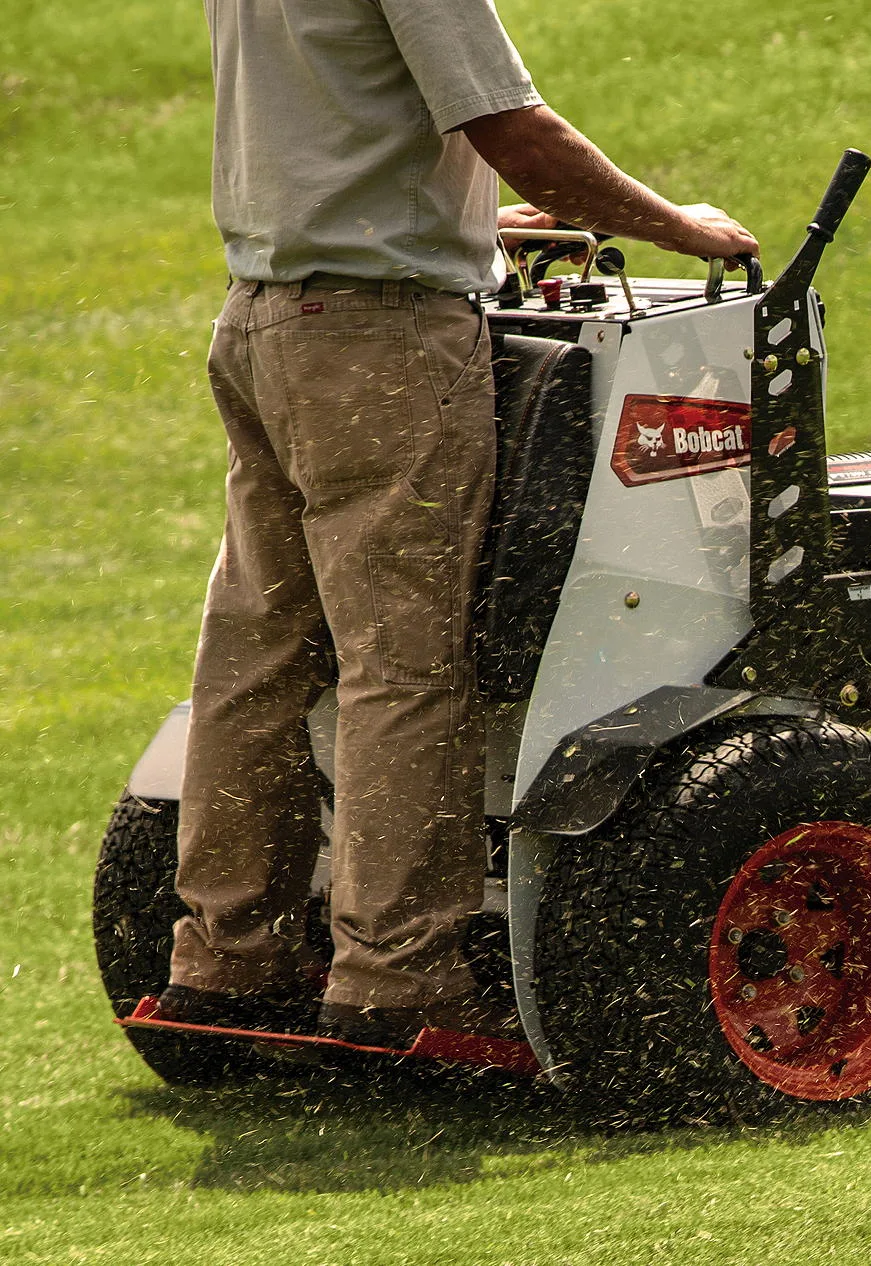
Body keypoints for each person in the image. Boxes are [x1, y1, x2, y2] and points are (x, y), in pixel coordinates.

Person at [156, 0, 757, 1049]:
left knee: (259, 656)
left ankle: (225, 958)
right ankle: (400, 981)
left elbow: (329, 120)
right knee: (404, 665)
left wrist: (465, 224)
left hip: (262, 315)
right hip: (379, 338)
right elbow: (517, 131)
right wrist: (682, 228)